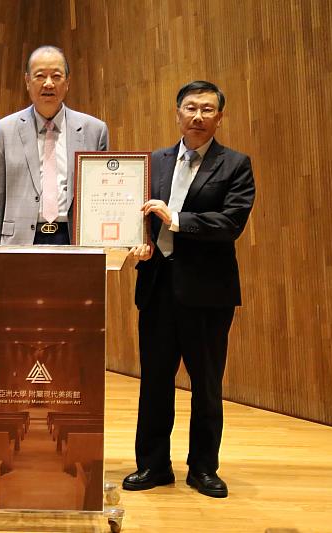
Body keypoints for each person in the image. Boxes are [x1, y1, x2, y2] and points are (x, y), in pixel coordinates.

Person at [123, 81, 255, 498]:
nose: (198, 116)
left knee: (207, 384)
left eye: (207, 109)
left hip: (207, 294)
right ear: (177, 113)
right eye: (190, 108)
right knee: (155, 382)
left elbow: (230, 223)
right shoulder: (154, 162)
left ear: (219, 117)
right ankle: (153, 465)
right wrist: (137, 242)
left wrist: (176, 218)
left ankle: (203, 468)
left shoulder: (235, 165)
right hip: (157, 288)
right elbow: (136, 215)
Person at [0, 45, 109, 245]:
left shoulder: (95, 130)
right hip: (19, 242)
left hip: (75, 241)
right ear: (27, 81)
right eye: (40, 76)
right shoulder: (5, 129)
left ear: (67, 82)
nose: (48, 84)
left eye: (56, 76)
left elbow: (103, 198)